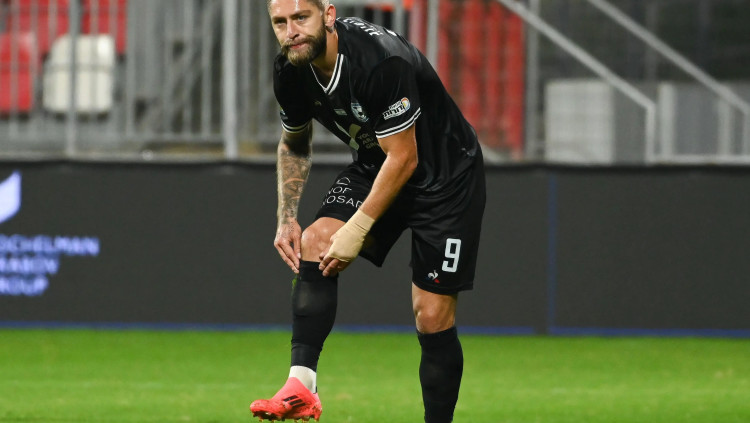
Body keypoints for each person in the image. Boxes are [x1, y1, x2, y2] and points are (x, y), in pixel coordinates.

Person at [250, 1, 486, 422]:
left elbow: (406, 158)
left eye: (300, 18)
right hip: (378, 162)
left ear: (328, 15)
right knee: (315, 241)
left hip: (446, 178)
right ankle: (301, 386)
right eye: (280, 22)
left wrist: (358, 227)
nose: (291, 31)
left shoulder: (379, 62)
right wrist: (286, 216)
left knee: (431, 316)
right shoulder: (290, 69)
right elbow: (295, 142)